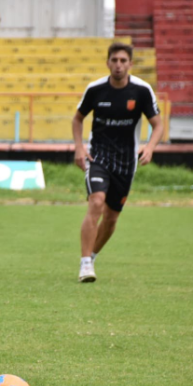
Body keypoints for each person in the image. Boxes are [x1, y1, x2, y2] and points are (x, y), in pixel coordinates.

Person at [72, 42, 164, 283]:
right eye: (114, 60)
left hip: (126, 162)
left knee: (112, 218)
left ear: (130, 64)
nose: (119, 65)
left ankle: (91, 256)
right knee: (97, 202)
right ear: (108, 63)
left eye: (123, 61)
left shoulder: (142, 91)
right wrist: (79, 148)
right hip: (98, 157)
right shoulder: (95, 90)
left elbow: (158, 125)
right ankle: (84, 265)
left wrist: (150, 147)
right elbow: (77, 118)